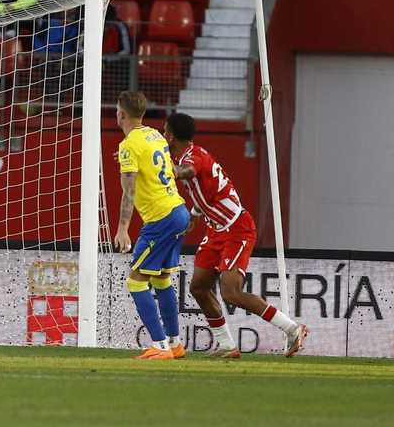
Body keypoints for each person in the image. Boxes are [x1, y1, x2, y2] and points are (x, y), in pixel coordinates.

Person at [163, 111, 307, 359]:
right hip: (217, 229)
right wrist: (196, 211)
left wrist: (170, 171)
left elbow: (187, 171)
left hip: (236, 227)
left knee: (231, 292)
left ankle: (292, 328)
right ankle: (228, 346)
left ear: (171, 135)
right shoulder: (193, 153)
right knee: (198, 287)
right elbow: (209, 187)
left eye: (165, 131)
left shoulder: (191, 157)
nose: (163, 135)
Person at [112, 89, 191, 360]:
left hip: (161, 218)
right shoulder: (155, 135)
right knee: (161, 278)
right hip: (179, 210)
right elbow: (164, 167)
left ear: (120, 114)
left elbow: (129, 190)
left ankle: (159, 345)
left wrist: (123, 229)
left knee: (135, 281)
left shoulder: (129, 144)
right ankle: (175, 343)